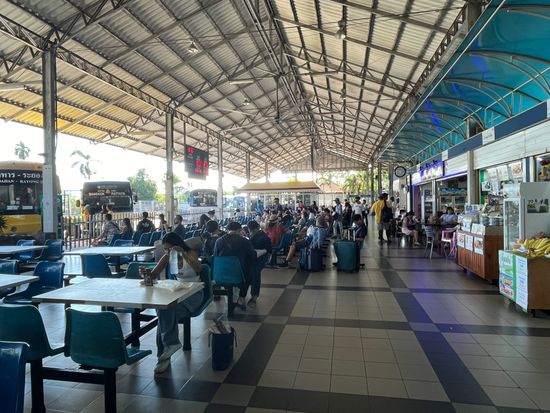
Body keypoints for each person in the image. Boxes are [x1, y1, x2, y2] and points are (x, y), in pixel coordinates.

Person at [147, 232, 203, 374]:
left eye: (169, 248)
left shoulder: (190, 253)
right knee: (164, 311)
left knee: (164, 315)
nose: (167, 252)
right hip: (178, 291)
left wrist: (182, 254)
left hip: (194, 293)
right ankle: (169, 348)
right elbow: (153, 274)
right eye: (165, 249)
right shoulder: (167, 257)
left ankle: (163, 356)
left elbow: (199, 268)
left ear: (177, 246)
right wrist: (146, 274)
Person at [213, 221, 257, 309]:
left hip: (220, 275)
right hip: (238, 275)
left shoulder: (218, 241)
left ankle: (226, 292)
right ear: (239, 230)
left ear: (227, 229)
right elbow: (253, 256)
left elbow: (215, 256)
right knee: (250, 271)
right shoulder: (244, 241)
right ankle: (241, 298)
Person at [245, 220, 272, 307]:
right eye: (250, 231)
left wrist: (267, 258)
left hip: (261, 257)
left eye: (253, 231)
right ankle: (243, 293)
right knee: (246, 270)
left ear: (257, 228)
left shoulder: (264, 237)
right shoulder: (251, 236)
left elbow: (269, 251)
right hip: (252, 256)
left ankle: (254, 296)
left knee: (255, 271)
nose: (251, 232)